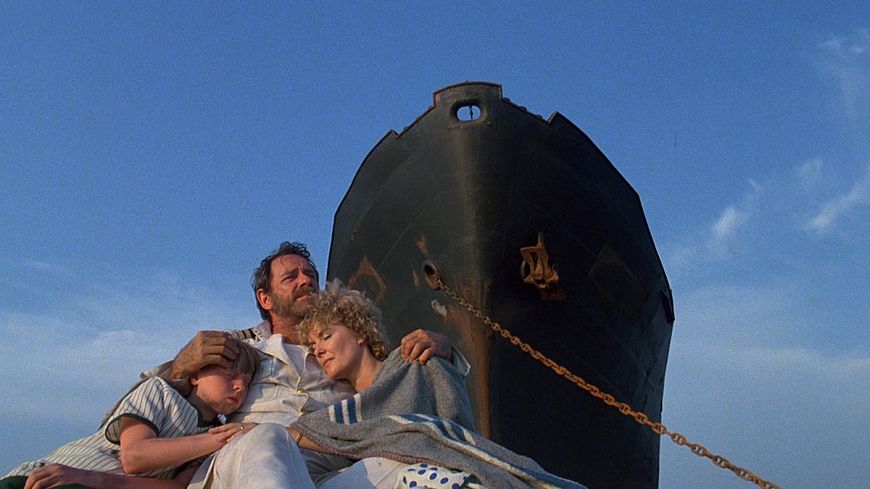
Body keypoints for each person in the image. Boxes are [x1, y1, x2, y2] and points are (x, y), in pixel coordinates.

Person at [147, 242, 465, 489]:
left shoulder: (342, 352)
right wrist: (181, 366)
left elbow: (402, 389)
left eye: (311, 275)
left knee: (409, 469)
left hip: (329, 474)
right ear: (265, 298)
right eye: (291, 277)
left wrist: (445, 350)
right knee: (270, 437)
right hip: (249, 463)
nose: (306, 281)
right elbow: (155, 395)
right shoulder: (240, 350)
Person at [289, 280, 587, 489]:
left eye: (326, 336)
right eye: (313, 346)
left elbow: (451, 426)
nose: (319, 350)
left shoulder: (412, 361)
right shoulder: (342, 409)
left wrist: (447, 351)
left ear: (359, 333)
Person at [0, 343, 260, 489]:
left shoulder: (216, 439)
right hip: (49, 476)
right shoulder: (159, 391)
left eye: (247, 382)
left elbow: (177, 488)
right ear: (195, 375)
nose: (240, 386)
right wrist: (220, 439)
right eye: (230, 376)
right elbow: (134, 456)